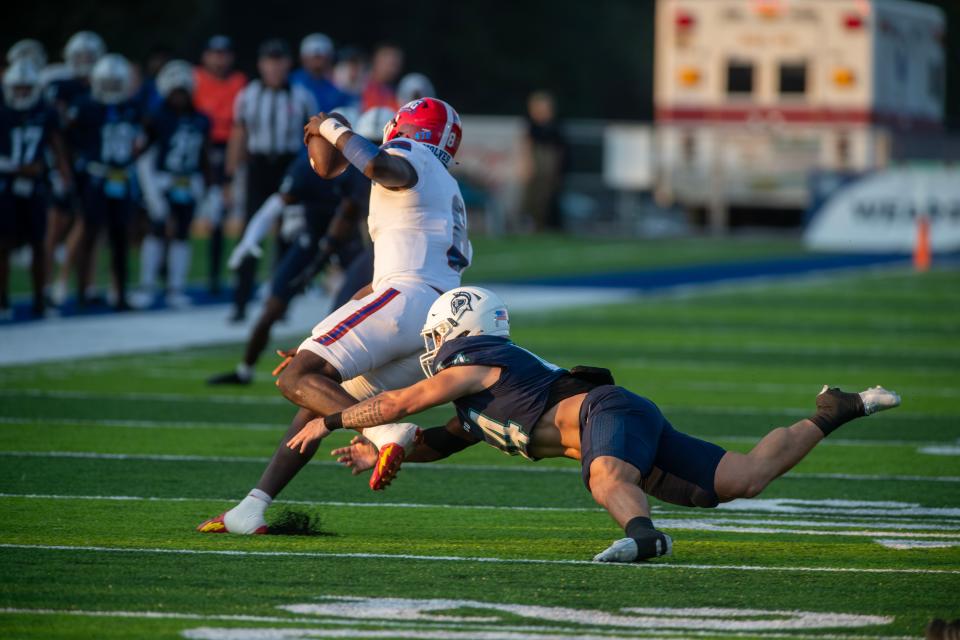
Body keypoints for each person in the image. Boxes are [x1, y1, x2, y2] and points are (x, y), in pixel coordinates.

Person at [286, 286, 902, 562]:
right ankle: (835, 409)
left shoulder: (472, 367)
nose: (430, 348)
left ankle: (644, 538)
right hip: (623, 416)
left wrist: (334, 419)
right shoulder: (478, 398)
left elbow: (395, 406)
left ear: (454, 334)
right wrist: (378, 453)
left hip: (606, 416)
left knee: (604, 475)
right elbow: (436, 443)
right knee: (742, 479)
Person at [197, 98, 471, 535]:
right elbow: (380, 281)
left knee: (294, 379)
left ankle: (383, 434)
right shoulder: (447, 186)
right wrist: (319, 340)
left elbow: (383, 168)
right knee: (314, 392)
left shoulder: (410, 154)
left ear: (406, 126)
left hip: (407, 300)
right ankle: (252, 507)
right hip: (432, 318)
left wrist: (332, 129)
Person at [204, 108, 392, 386]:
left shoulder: (375, 167)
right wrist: (250, 238)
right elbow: (280, 202)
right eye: (371, 141)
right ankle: (246, 369)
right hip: (315, 240)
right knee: (273, 308)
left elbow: (351, 211)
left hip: (351, 243)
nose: (375, 148)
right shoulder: (307, 167)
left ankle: (342, 374)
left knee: (346, 308)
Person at [225, 38, 317, 322]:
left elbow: (313, 138)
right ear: (261, 64)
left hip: (289, 165)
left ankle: (280, 303)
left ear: (288, 64)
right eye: (269, 61)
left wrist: (310, 174)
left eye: (279, 61)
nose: (274, 67)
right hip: (258, 167)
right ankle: (241, 301)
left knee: (287, 236)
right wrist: (230, 176)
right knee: (251, 232)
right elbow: (239, 135)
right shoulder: (249, 95)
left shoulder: (301, 96)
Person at [66, 54, 142, 310]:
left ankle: (119, 294)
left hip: (120, 177)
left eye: (114, 83)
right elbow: (69, 138)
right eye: (106, 83)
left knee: (120, 237)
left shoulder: (130, 106)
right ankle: (82, 292)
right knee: (89, 234)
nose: (110, 88)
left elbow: (140, 138)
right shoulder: (85, 106)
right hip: (96, 177)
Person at [133, 60, 210, 309]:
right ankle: (147, 286)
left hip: (188, 183)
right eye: (175, 92)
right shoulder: (155, 118)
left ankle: (176, 287)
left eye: (183, 92)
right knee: (157, 230)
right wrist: (152, 191)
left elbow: (204, 156)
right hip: (162, 182)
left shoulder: (201, 119)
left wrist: (206, 186)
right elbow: (144, 157)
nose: (179, 98)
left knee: (181, 234)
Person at [0, 59, 70, 319]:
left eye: (26, 88)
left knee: (38, 244)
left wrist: (63, 177)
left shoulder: (45, 111)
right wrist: (15, 167)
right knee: (3, 245)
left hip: (35, 187)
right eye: (17, 88)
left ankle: (40, 299)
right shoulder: (3, 111)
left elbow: (57, 145)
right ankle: (3, 300)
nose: (21, 93)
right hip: (5, 186)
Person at [40, 31, 105, 307]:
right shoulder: (60, 85)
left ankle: (85, 286)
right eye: (80, 56)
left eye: (90, 57)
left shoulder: (99, 87)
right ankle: (46, 285)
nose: (85, 62)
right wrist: (58, 166)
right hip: (63, 163)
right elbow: (55, 129)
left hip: (90, 164)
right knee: (56, 225)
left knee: (91, 226)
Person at [192, 35, 246, 295]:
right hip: (200, 152)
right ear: (205, 56)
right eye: (214, 52)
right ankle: (204, 276)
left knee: (232, 215)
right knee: (202, 216)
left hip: (231, 151)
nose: (219, 58)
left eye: (224, 53)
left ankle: (233, 274)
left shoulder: (239, 83)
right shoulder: (195, 79)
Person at [518, 91, 568, 232]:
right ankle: (530, 223)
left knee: (546, 195)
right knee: (531, 196)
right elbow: (527, 145)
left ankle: (542, 224)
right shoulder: (531, 124)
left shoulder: (555, 125)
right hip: (537, 161)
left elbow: (559, 149)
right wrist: (527, 164)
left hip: (549, 163)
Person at [290, 34, 351, 113]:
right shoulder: (292, 80)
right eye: (313, 57)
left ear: (329, 58)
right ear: (303, 58)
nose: (317, 62)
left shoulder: (339, 82)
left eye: (320, 57)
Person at [360, 43, 403, 111]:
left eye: (396, 63)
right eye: (390, 63)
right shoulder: (360, 85)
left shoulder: (395, 91)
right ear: (375, 59)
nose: (393, 67)